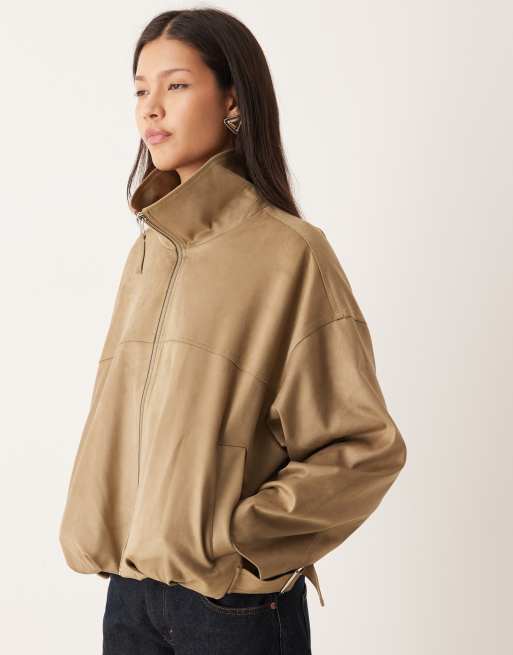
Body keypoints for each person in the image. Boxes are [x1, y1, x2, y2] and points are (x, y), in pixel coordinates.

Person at [58, 8, 407, 655]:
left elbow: (364, 446)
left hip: (233, 607)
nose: (151, 107)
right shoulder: (148, 252)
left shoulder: (290, 252)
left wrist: (238, 537)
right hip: (130, 596)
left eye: (176, 85)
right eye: (140, 89)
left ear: (232, 101)